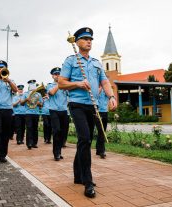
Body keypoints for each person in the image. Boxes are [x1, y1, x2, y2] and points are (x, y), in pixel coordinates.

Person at [58, 27, 117, 198]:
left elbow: (105, 82)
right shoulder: (70, 60)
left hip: (93, 105)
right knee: (84, 138)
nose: (89, 41)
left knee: (86, 140)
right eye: (84, 39)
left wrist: (111, 96)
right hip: (76, 104)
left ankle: (78, 175)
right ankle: (88, 181)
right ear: (76, 42)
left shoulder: (97, 63)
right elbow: (62, 83)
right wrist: (78, 84)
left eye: (90, 39)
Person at [47, 67, 69, 161]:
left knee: (63, 132)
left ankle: (59, 151)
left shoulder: (65, 85)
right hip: (54, 110)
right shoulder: (50, 85)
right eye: (56, 74)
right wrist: (60, 84)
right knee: (56, 131)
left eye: (59, 74)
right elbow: (51, 92)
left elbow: (70, 94)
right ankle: (56, 153)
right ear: (52, 76)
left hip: (64, 111)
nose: (57, 75)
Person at [20, 80, 43, 149]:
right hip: (28, 113)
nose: (32, 85)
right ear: (29, 85)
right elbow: (21, 103)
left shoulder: (38, 94)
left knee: (35, 128)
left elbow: (41, 104)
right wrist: (26, 100)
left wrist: (39, 104)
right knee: (29, 128)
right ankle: (29, 143)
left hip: (36, 113)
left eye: (34, 84)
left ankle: (34, 143)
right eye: (31, 84)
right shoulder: (25, 94)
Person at [95, 89, 109, 159]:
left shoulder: (105, 89)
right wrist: (100, 87)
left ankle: (98, 148)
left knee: (103, 131)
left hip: (105, 111)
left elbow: (110, 95)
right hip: (97, 111)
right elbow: (96, 95)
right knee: (101, 130)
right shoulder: (96, 87)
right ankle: (102, 151)